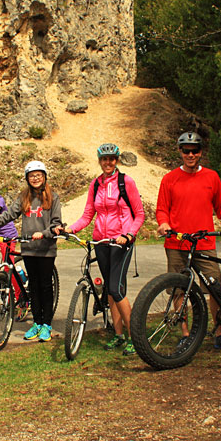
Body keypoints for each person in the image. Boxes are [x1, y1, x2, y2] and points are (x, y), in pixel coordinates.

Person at [156, 131, 221, 352]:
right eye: (186, 151)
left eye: (195, 150)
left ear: (200, 152)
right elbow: (162, 209)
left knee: (214, 287)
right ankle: (186, 335)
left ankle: (219, 333)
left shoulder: (211, 177)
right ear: (179, 151)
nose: (190, 154)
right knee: (180, 290)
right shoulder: (169, 178)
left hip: (205, 243)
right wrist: (163, 224)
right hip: (177, 243)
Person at [60, 143, 145, 356]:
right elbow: (88, 214)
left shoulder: (126, 182)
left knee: (117, 289)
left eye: (112, 159)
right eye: (104, 159)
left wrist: (128, 235)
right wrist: (70, 228)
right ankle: (118, 335)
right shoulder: (96, 184)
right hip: (102, 242)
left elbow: (140, 214)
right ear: (99, 160)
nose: (108, 163)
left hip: (121, 243)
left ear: (117, 160)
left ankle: (136, 338)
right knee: (109, 289)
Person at [0, 160, 63, 342]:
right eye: (32, 176)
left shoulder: (53, 198)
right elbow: (7, 215)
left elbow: (56, 223)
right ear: (27, 179)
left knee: (45, 287)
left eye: (38, 175)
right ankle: (37, 323)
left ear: (44, 176)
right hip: (28, 248)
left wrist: (45, 233)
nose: (35, 178)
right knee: (33, 286)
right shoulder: (24, 198)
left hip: (46, 249)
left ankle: (47, 324)